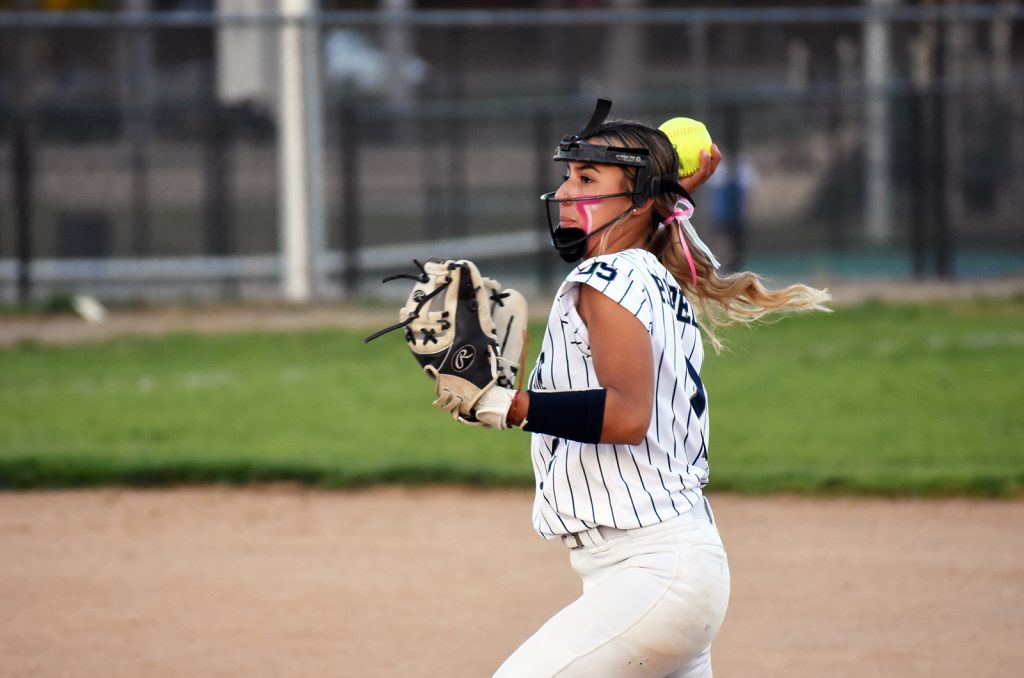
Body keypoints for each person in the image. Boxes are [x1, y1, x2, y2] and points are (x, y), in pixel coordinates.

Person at [439, 99, 830, 677]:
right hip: (673, 572)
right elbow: (660, 219)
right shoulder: (648, 271)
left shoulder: (608, 276)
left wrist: (511, 404)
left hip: (651, 574)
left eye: (588, 178)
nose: (567, 192)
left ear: (641, 200)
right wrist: (666, 185)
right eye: (568, 175)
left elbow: (626, 416)